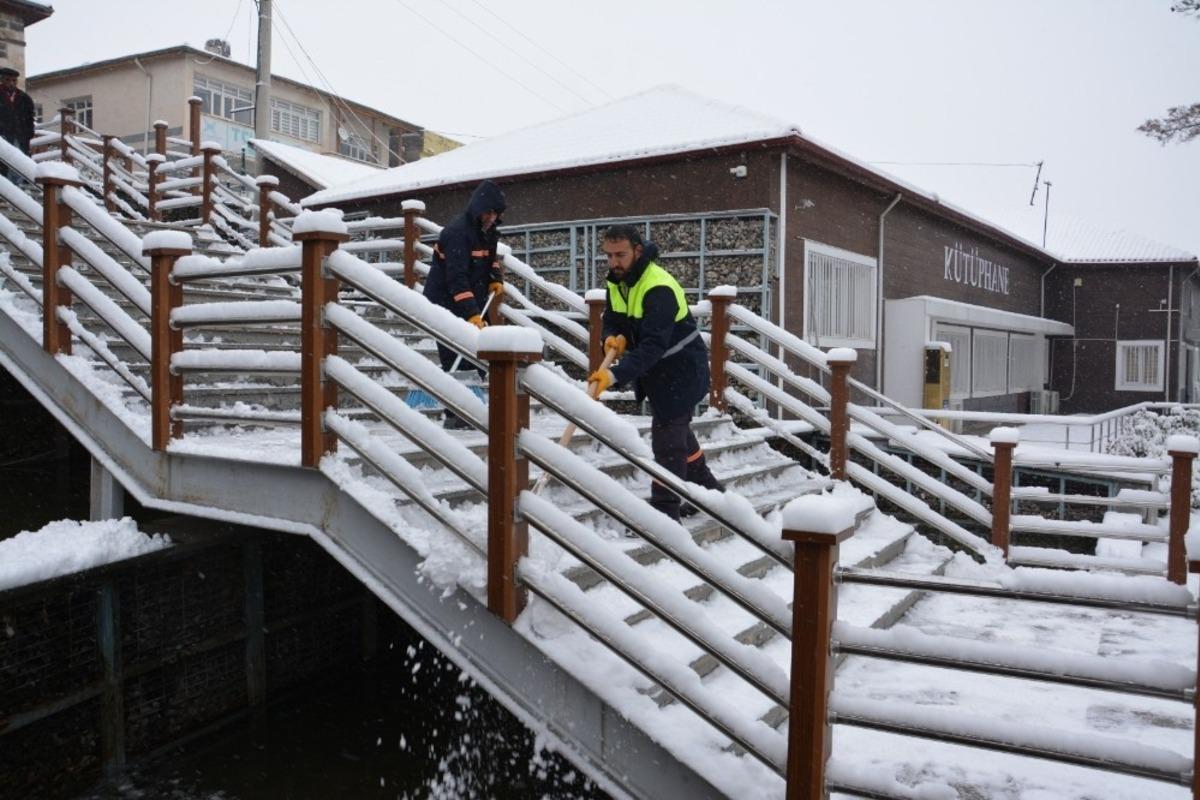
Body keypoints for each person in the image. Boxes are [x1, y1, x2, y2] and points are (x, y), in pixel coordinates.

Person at [589, 224, 724, 521]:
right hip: (658, 373)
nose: (613, 263)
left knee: (667, 442)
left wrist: (613, 375)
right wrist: (610, 337)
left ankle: (665, 513)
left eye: (620, 255)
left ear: (638, 250)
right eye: (609, 256)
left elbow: (653, 346)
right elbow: (612, 317)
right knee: (678, 436)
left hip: (681, 371)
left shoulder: (657, 286)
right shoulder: (617, 281)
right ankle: (710, 491)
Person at [423, 179, 506, 429]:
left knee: (480, 354)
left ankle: (470, 407)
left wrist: (495, 278)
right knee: (453, 355)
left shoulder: (489, 231)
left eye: (495, 213)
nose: (491, 217)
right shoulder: (457, 233)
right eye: (488, 212)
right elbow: (456, 279)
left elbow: (491, 259)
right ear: (478, 208)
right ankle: (455, 415)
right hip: (444, 300)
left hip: (475, 294)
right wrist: (471, 313)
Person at [0, 67, 35, 158]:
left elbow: (29, 118)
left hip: (21, 137)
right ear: (2, 80)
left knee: (21, 160)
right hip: (3, 135)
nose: (11, 83)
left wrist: (29, 134)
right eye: (8, 80)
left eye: (14, 80)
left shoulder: (24, 98)